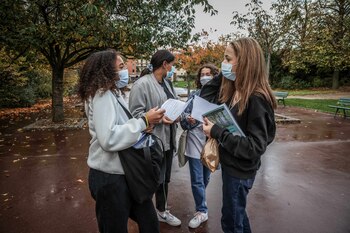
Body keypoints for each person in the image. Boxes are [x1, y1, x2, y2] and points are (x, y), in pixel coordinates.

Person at [77, 49, 165, 233]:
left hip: (126, 173)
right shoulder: (101, 95)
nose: (125, 70)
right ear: (106, 70)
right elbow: (108, 138)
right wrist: (143, 121)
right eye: (121, 66)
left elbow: (120, 125)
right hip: (109, 177)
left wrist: (142, 127)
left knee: (150, 223)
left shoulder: (112, 93)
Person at [202, 38, 277, 233]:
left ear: (244, 62)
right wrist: (224, 75)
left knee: (231, 221)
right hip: (232, 165)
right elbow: (205, 94)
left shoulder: (256, 98)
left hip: (240, 171)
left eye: (228, 59)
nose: (223, 64)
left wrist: (217, 132)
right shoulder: (236, 90)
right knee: (238, 216)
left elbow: (255, 146)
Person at [128, 49, 181, 227]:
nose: (172, 69)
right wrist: (158, 120)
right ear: (164, 64)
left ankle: (162, 210)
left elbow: (172, 104)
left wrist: (178, 114)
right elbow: (135, 115)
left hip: (168, 140)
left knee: (164, 179)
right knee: (152, 179)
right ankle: (144, 214)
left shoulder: (167, 83)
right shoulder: (141, 85)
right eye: (172, 65)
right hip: (153, 142)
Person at [179, 63, 219, 228]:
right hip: (194, 142)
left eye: (208, 74)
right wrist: (188, 119)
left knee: (205, 177)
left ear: (214, 76)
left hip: (211, 144)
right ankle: (201, 210)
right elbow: (183, 117)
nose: (205, 77)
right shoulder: (194, 95)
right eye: (202, 74)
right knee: (197, 180)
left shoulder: (220, 96)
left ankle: (200, 198)